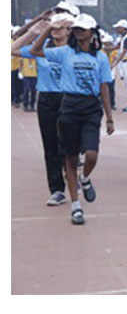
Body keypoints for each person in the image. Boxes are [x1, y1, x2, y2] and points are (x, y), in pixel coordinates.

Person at [30, 13, 115, 225]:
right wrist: (50, 28)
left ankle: (85, 178)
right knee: (70, 157)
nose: (78, 32)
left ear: (92, 32)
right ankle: (76, 207)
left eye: (82, 29)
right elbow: (35, 50)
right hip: (68, 106)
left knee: (92, 154)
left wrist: (110, 118)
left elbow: (104, 86)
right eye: (75, 29)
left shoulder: (100, 57)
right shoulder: (65, 52)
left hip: (90, 108)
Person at [11, 13, 73, 206]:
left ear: (69, 30)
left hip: (69, 99)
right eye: (52, 28)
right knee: (50, 145)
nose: (55, 31)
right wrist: (33, 32)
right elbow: (12, 49)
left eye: (59, 28)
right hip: (47, 99)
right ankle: (57, 189)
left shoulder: (74, 50)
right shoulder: (41, 49)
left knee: (69, 144)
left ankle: (71, 174)